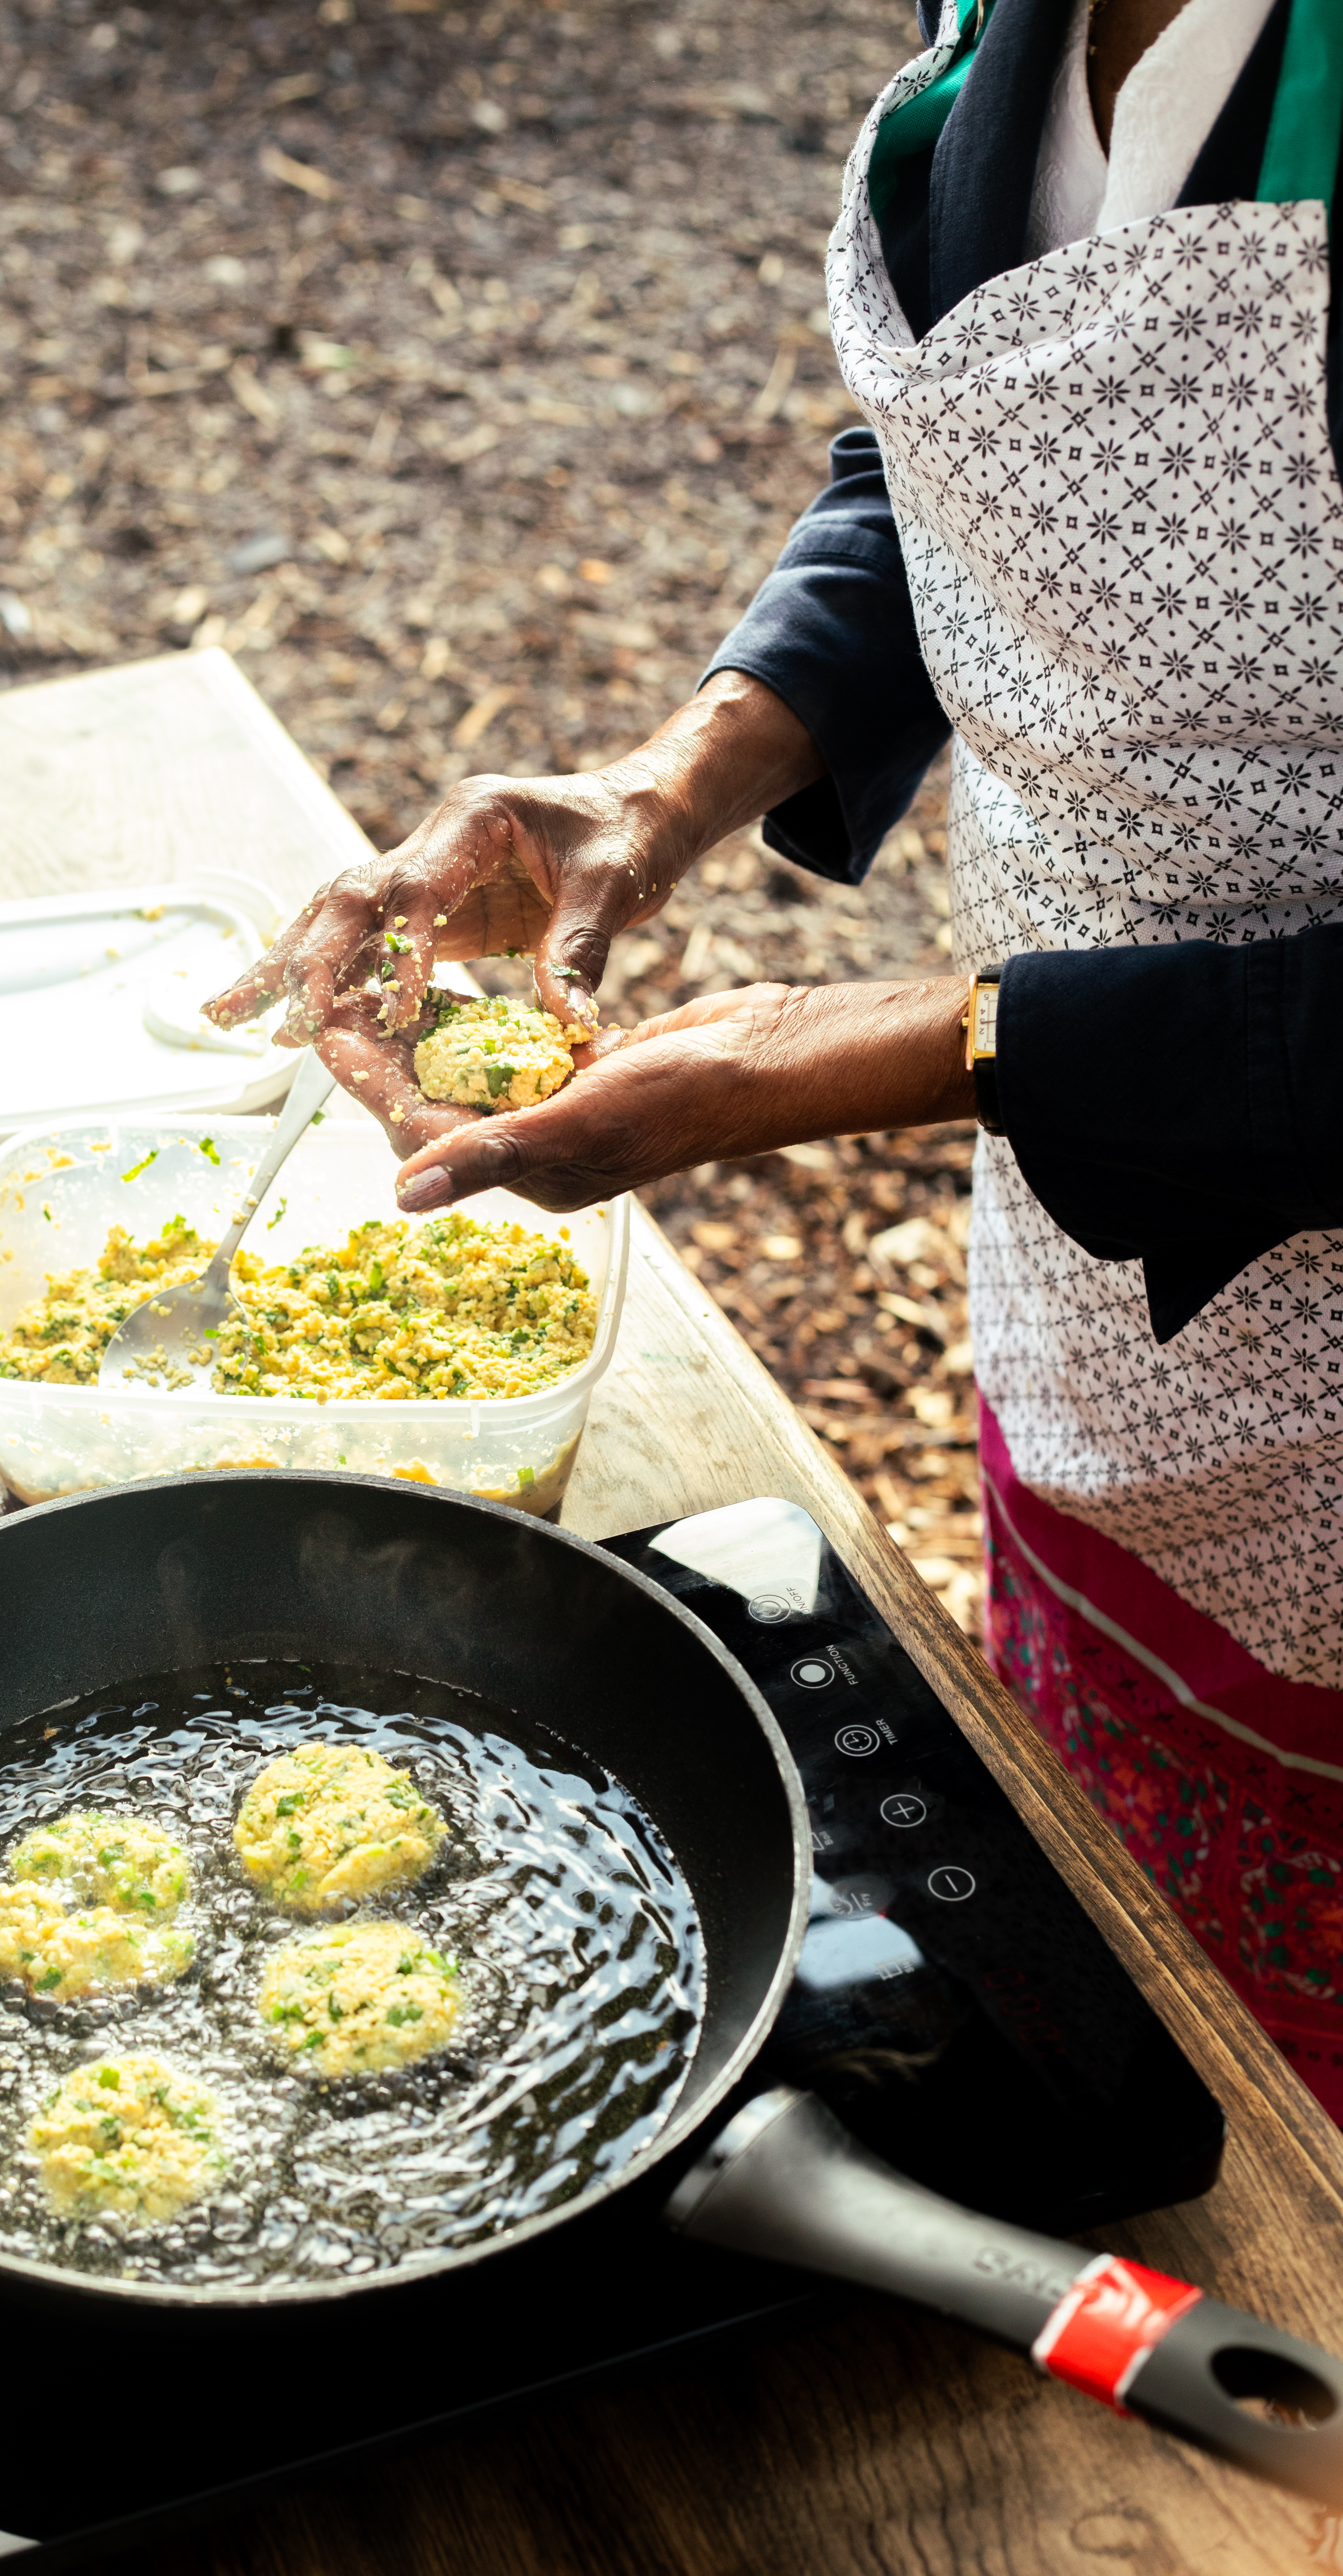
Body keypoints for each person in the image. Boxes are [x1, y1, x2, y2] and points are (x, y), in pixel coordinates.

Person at [207, 0, 1343, 2115]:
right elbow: (992, 462)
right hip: (1107, 1269)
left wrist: (902, 1049)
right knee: (1128, 1977)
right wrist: (670, 782)